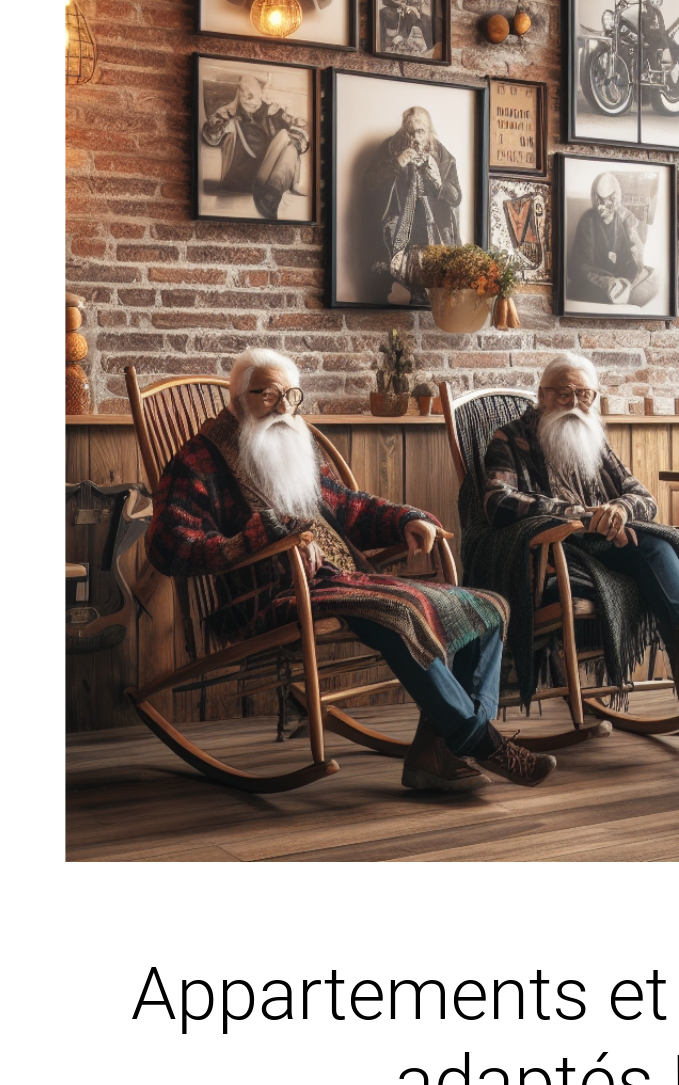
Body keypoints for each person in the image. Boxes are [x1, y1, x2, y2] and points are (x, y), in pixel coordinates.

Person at [145, 348, 556, 790]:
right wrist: (266, 536)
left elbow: (347, 506)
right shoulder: (199, 460)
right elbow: (170, 545)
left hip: (339, 580)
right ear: (238, 399)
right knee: (396, 611)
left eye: (292, 396)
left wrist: (404, 518)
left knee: (488, 607)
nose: (284, 407)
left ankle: (440, 752)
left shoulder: (293, 445)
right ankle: (483, 742)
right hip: (270, 594)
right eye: (268, 395)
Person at [480, 354, 679, 733]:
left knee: (664, 543)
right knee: (659, 549)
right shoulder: (510, 439)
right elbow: (497, 501)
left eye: (584, 394)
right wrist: (578, 514)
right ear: (542, 395)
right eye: (563, 393)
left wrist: (620, 511)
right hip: (556, 552)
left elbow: (644, 497)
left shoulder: (594, 440)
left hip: (605, 545)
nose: (575, 403)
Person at [366, 107, 463, 304]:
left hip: (434, 227)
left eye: (421, 132)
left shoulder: (443, 156)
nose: (416, 138)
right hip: (400, 223)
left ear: (429, 132)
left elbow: (456, 197)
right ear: (404, 132)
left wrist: (438, 182)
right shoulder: (391, 148)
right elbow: (370, 183)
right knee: (395, 270)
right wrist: (396, 164)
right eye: (411, 132)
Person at [200, 71, 310, 220]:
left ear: (262, 91)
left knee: (287, 138)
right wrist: (229, 111)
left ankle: (271, 194)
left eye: (250, 91)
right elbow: (210, 137)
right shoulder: (229, 113)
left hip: (265, 177)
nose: (246, 96)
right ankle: (270, 196)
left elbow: (303, 136)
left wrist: (293, 131)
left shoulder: (274, 112)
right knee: (286, 138)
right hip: (239, 178)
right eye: (242, 90)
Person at [567, 172, 658, 306]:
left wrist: (627, 279)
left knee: (654, 280)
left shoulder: (623, 220)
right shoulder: (588, 221)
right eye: (599, 202)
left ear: (615, 201)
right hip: (592, 285)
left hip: (620, 284)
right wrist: (606, 282)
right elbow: (578, 267)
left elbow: (629, 260)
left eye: (608, 204)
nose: (601, 208)